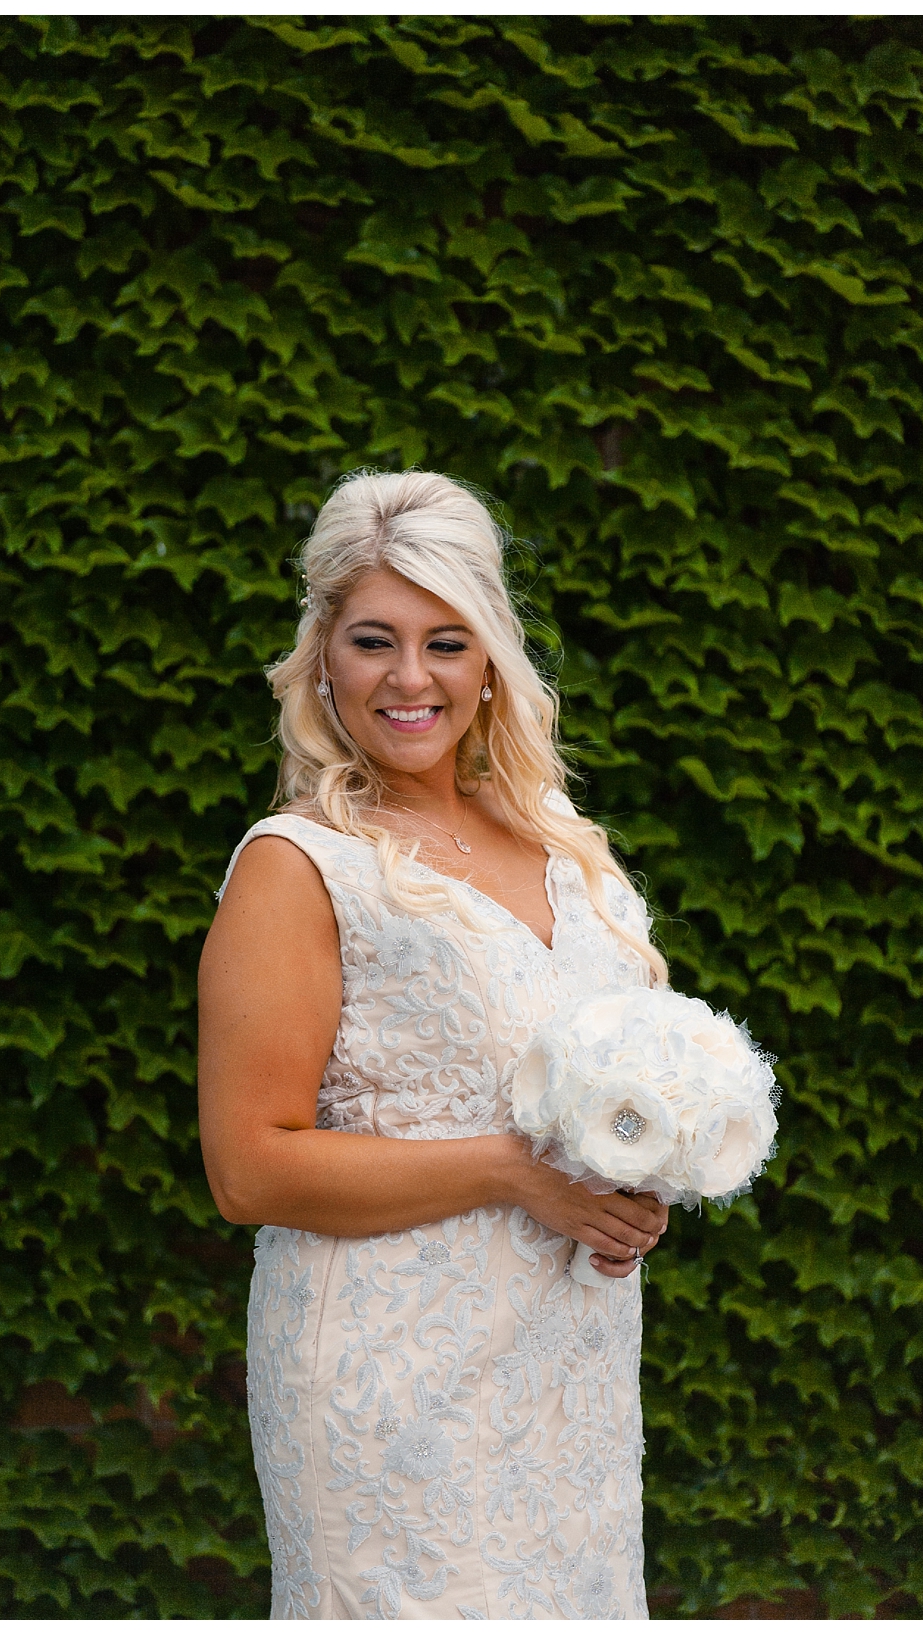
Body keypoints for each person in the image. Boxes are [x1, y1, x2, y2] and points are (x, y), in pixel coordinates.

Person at [199, 470, 669, 1617]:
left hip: (569, 1371)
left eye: (446, 642)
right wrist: (516, 1176)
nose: (411, 679)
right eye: (375, 641)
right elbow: (249, 1169)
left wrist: (629, 1186)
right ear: (323, 658)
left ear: (490, 660)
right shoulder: (299, 865)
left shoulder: (563, 849)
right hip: (385, 1386)